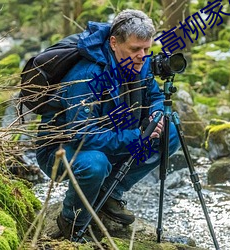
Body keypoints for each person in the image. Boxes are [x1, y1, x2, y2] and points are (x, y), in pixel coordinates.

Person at [36, 9, 180, 241]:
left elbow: (154, 96)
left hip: (113, 135)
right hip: (62, 150)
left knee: (170, 132)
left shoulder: (139, 62)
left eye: (147, 49)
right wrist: (136, 136)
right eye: (135, 49)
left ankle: (110, 192)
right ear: (114, 43)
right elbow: (81, 135)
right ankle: (71, 221)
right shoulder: (87, 75)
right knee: (95, 164)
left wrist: (156, 114)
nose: (142, 56)